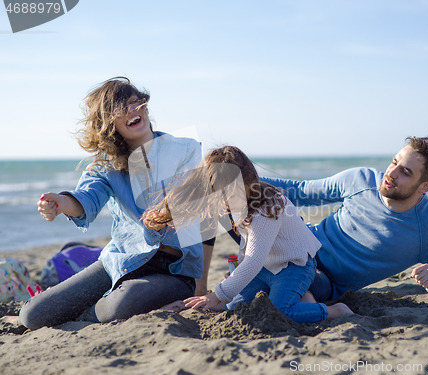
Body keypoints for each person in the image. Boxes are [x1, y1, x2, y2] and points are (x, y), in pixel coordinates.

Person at [19, 77, 205, 329]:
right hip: (122, 261)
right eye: (120, 110)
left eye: (134, 103)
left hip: (173, 270)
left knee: (121, 305)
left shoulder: (186, 150)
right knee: (33, 315)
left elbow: (195, 208)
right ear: (109, 123)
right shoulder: (107, 165)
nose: (131, 111)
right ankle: (100, 307)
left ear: (145, 106)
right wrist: (61, 203)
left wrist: (201, 286)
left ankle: (93, 312)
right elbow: (87, 198)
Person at [142, 146, 354, 323]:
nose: (227, 202)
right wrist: (163, 216)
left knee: (280, 311)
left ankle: (334, 311)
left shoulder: (266, 208)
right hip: (266, 267)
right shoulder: (234, 200)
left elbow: (254, 259)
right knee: (234, 305)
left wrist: (217, 293)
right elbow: (249, 243)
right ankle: (302, 300)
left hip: (294, 265)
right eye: (221, 195)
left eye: (233, 194)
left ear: (250, 183)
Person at [259, 136, 428, 302]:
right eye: (394, 162)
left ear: (425, 186)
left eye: (406, 172)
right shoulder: (361, 179)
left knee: (282, 281)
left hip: (324, 280)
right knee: (236, 204)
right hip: (300, 244)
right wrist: (245, 179)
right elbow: (299, 191)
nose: (391, 173)